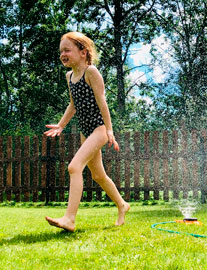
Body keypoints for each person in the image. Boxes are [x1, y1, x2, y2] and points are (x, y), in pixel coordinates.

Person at [44, 32, 130, 232]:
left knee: (74, 167)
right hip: (85, 131)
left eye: (67, 50)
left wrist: (109, 131)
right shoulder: (69, 76)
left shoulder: (91, 72)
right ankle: (122, 205)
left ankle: (69, 219)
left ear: (83, 52)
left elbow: (102, 103)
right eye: (61, 51)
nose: (62, 54)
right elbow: (73, 105)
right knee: (99, 175)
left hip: (99, 129)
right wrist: (61, 125)